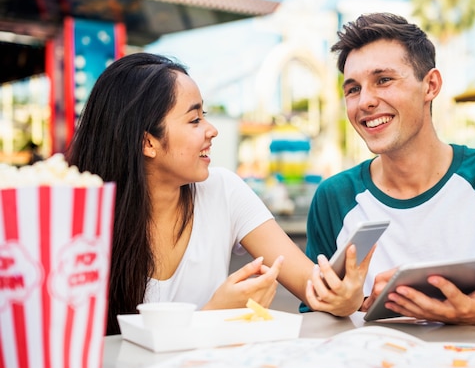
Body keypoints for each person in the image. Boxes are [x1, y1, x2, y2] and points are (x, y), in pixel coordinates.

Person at [66, 52, 371, 335]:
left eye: (205, 115)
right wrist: (213, 316)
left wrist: (347, 296)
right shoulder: (78, 220)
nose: (212, 129)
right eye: (194, 119)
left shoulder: (223, 190)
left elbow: (315, 289)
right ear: (148, 143)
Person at [305, 13, 475, 331]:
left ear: (430, 85)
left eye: (383, 80)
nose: (364, 101)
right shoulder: (333, 197)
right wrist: (353, 306)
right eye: (352, 89)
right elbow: (312, 323)